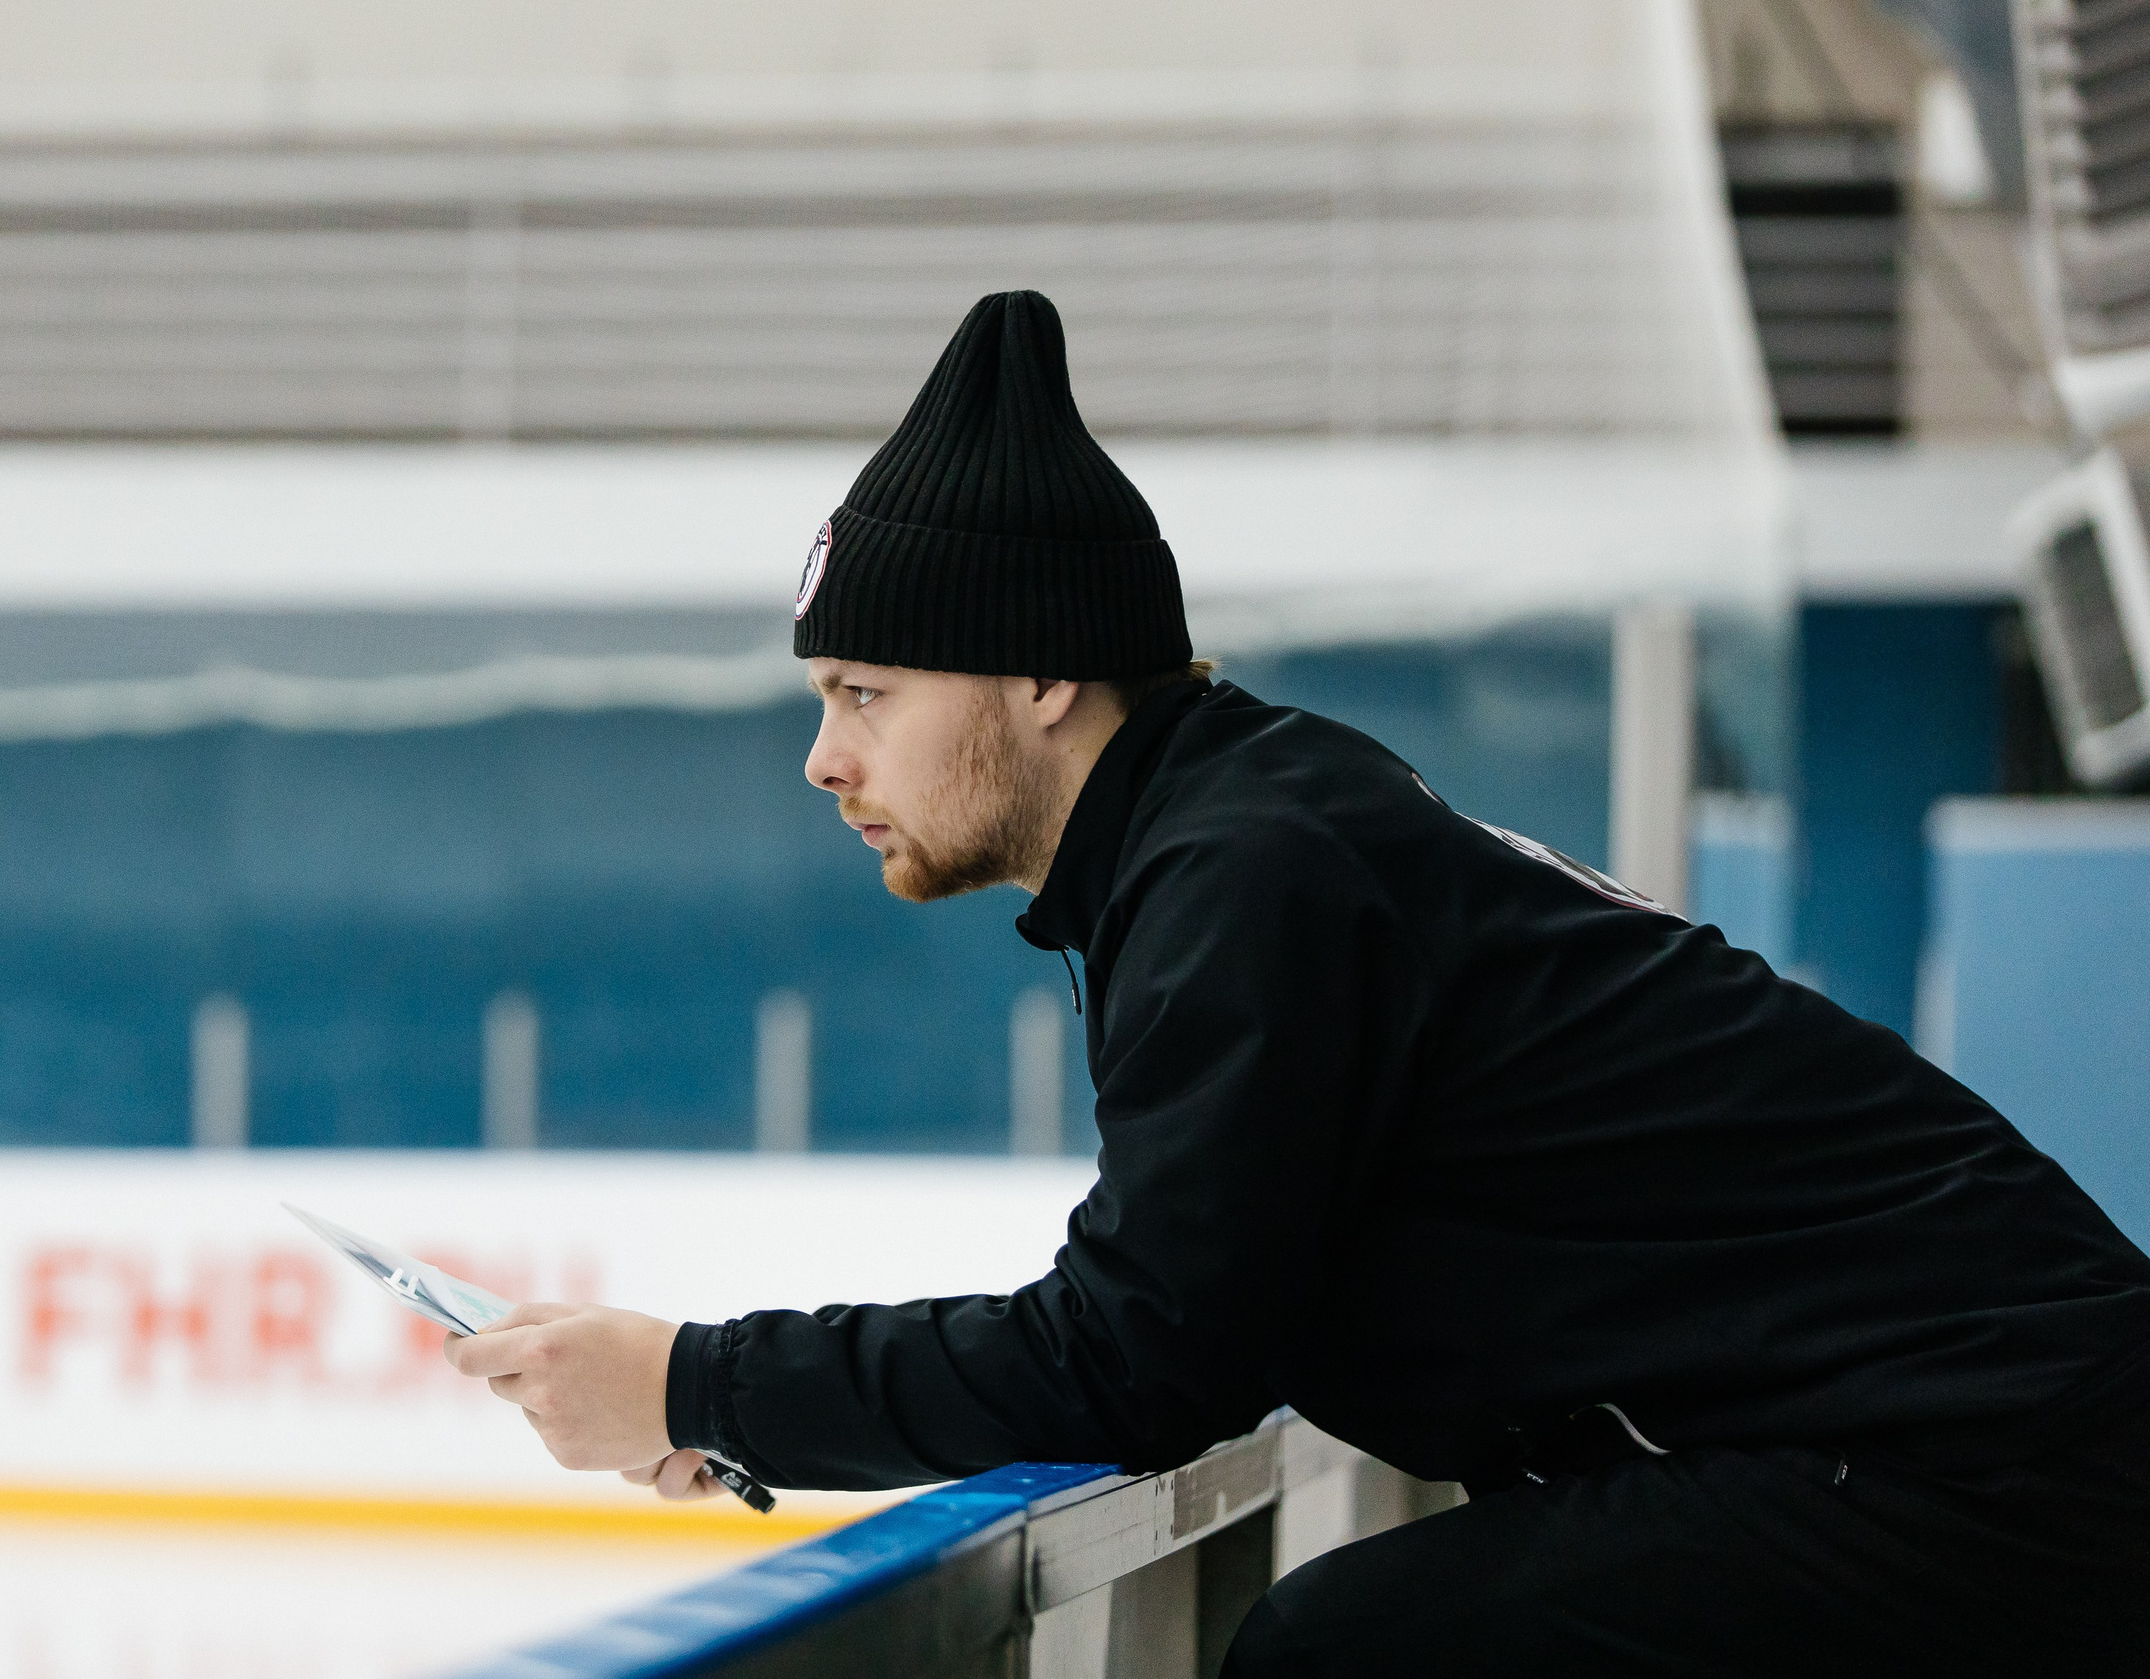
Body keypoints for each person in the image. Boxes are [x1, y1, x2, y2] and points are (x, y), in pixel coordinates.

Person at [439, 291, 2150, 1675]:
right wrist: (730, 1403)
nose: (825, 758)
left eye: (865, 691)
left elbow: (1142, 1357)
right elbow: (1198, 1313)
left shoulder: (1243, 872)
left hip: (1995, 1462)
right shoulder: (1244, 823)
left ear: (1043, 673)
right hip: (1989, 1438)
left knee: (1350, 1653)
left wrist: (693, 1380)